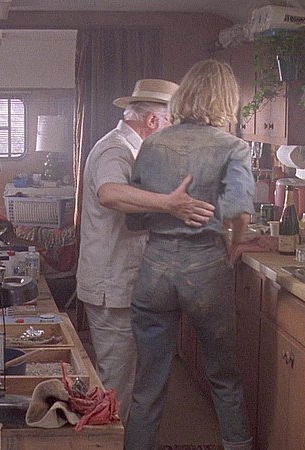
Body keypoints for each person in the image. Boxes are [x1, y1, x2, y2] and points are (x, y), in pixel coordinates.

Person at [124, 60, 256, 450]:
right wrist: (234, 244)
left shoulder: (152, 144)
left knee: (148, 383)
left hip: (155, 267)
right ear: (226, 100)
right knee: (223, 378)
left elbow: (134, 218)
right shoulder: (232, 147)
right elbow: (239, 212)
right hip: (205, 268)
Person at [76, 78, 216, 424]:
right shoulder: (115, 150)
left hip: (125, 285)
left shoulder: (134, 150)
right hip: (112, 287)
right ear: (153, 121)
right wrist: (169, 204)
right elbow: (109, 193)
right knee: (116, 388)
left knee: (130, 383)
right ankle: (107, 443)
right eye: (172, 124)